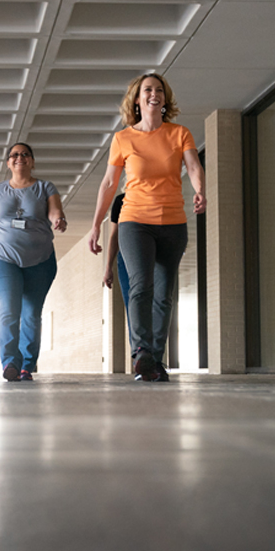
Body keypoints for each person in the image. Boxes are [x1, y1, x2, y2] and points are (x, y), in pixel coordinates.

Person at [88, 74, 205, 383]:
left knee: (165, 295)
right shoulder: (123, 138)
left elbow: (193, 165)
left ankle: (155, 358)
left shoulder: (179, 133)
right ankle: (141, 352)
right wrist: (95, 225)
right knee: (141, 287)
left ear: (165, 99)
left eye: (159, 90)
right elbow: (110, 183)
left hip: (173, 222)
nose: (154, 94)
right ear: (137, 100)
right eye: (147, 90)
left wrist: (200, 190)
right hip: (135, 221)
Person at [0, 143, 67, 382]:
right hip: (1, 258)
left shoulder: (45, 187)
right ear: (8, 163)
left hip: (40, 260)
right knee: (9, 308)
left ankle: (26, 365)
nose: (19, 158)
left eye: (25, 154)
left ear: (32, 161)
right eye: (14, 155)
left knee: (31, 314)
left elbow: (54, 212)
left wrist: (58, 220)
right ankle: (10, 362)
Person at [102, 192, 139, 377]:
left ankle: (154, 356)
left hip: (154, 255)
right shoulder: (121, 201)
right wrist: (108, 267)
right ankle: (140, 358)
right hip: (126, 258)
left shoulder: (161, 193)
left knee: (158, 302)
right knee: (133, 306)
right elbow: (114, 235)